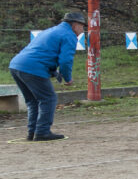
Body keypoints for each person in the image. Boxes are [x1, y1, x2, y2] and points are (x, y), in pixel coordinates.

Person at [8, 11, 86, 142]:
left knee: (33, 101)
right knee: (48, 99)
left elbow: (45, 53)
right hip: (33, 67)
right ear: (74, 25)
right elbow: (66, 61)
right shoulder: (69, 35)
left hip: (16, 65)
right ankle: (43, 132)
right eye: (82, 26)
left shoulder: (51, 31)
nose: (83, 29)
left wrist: (54, 72)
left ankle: (32, 132)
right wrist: (67, 78)